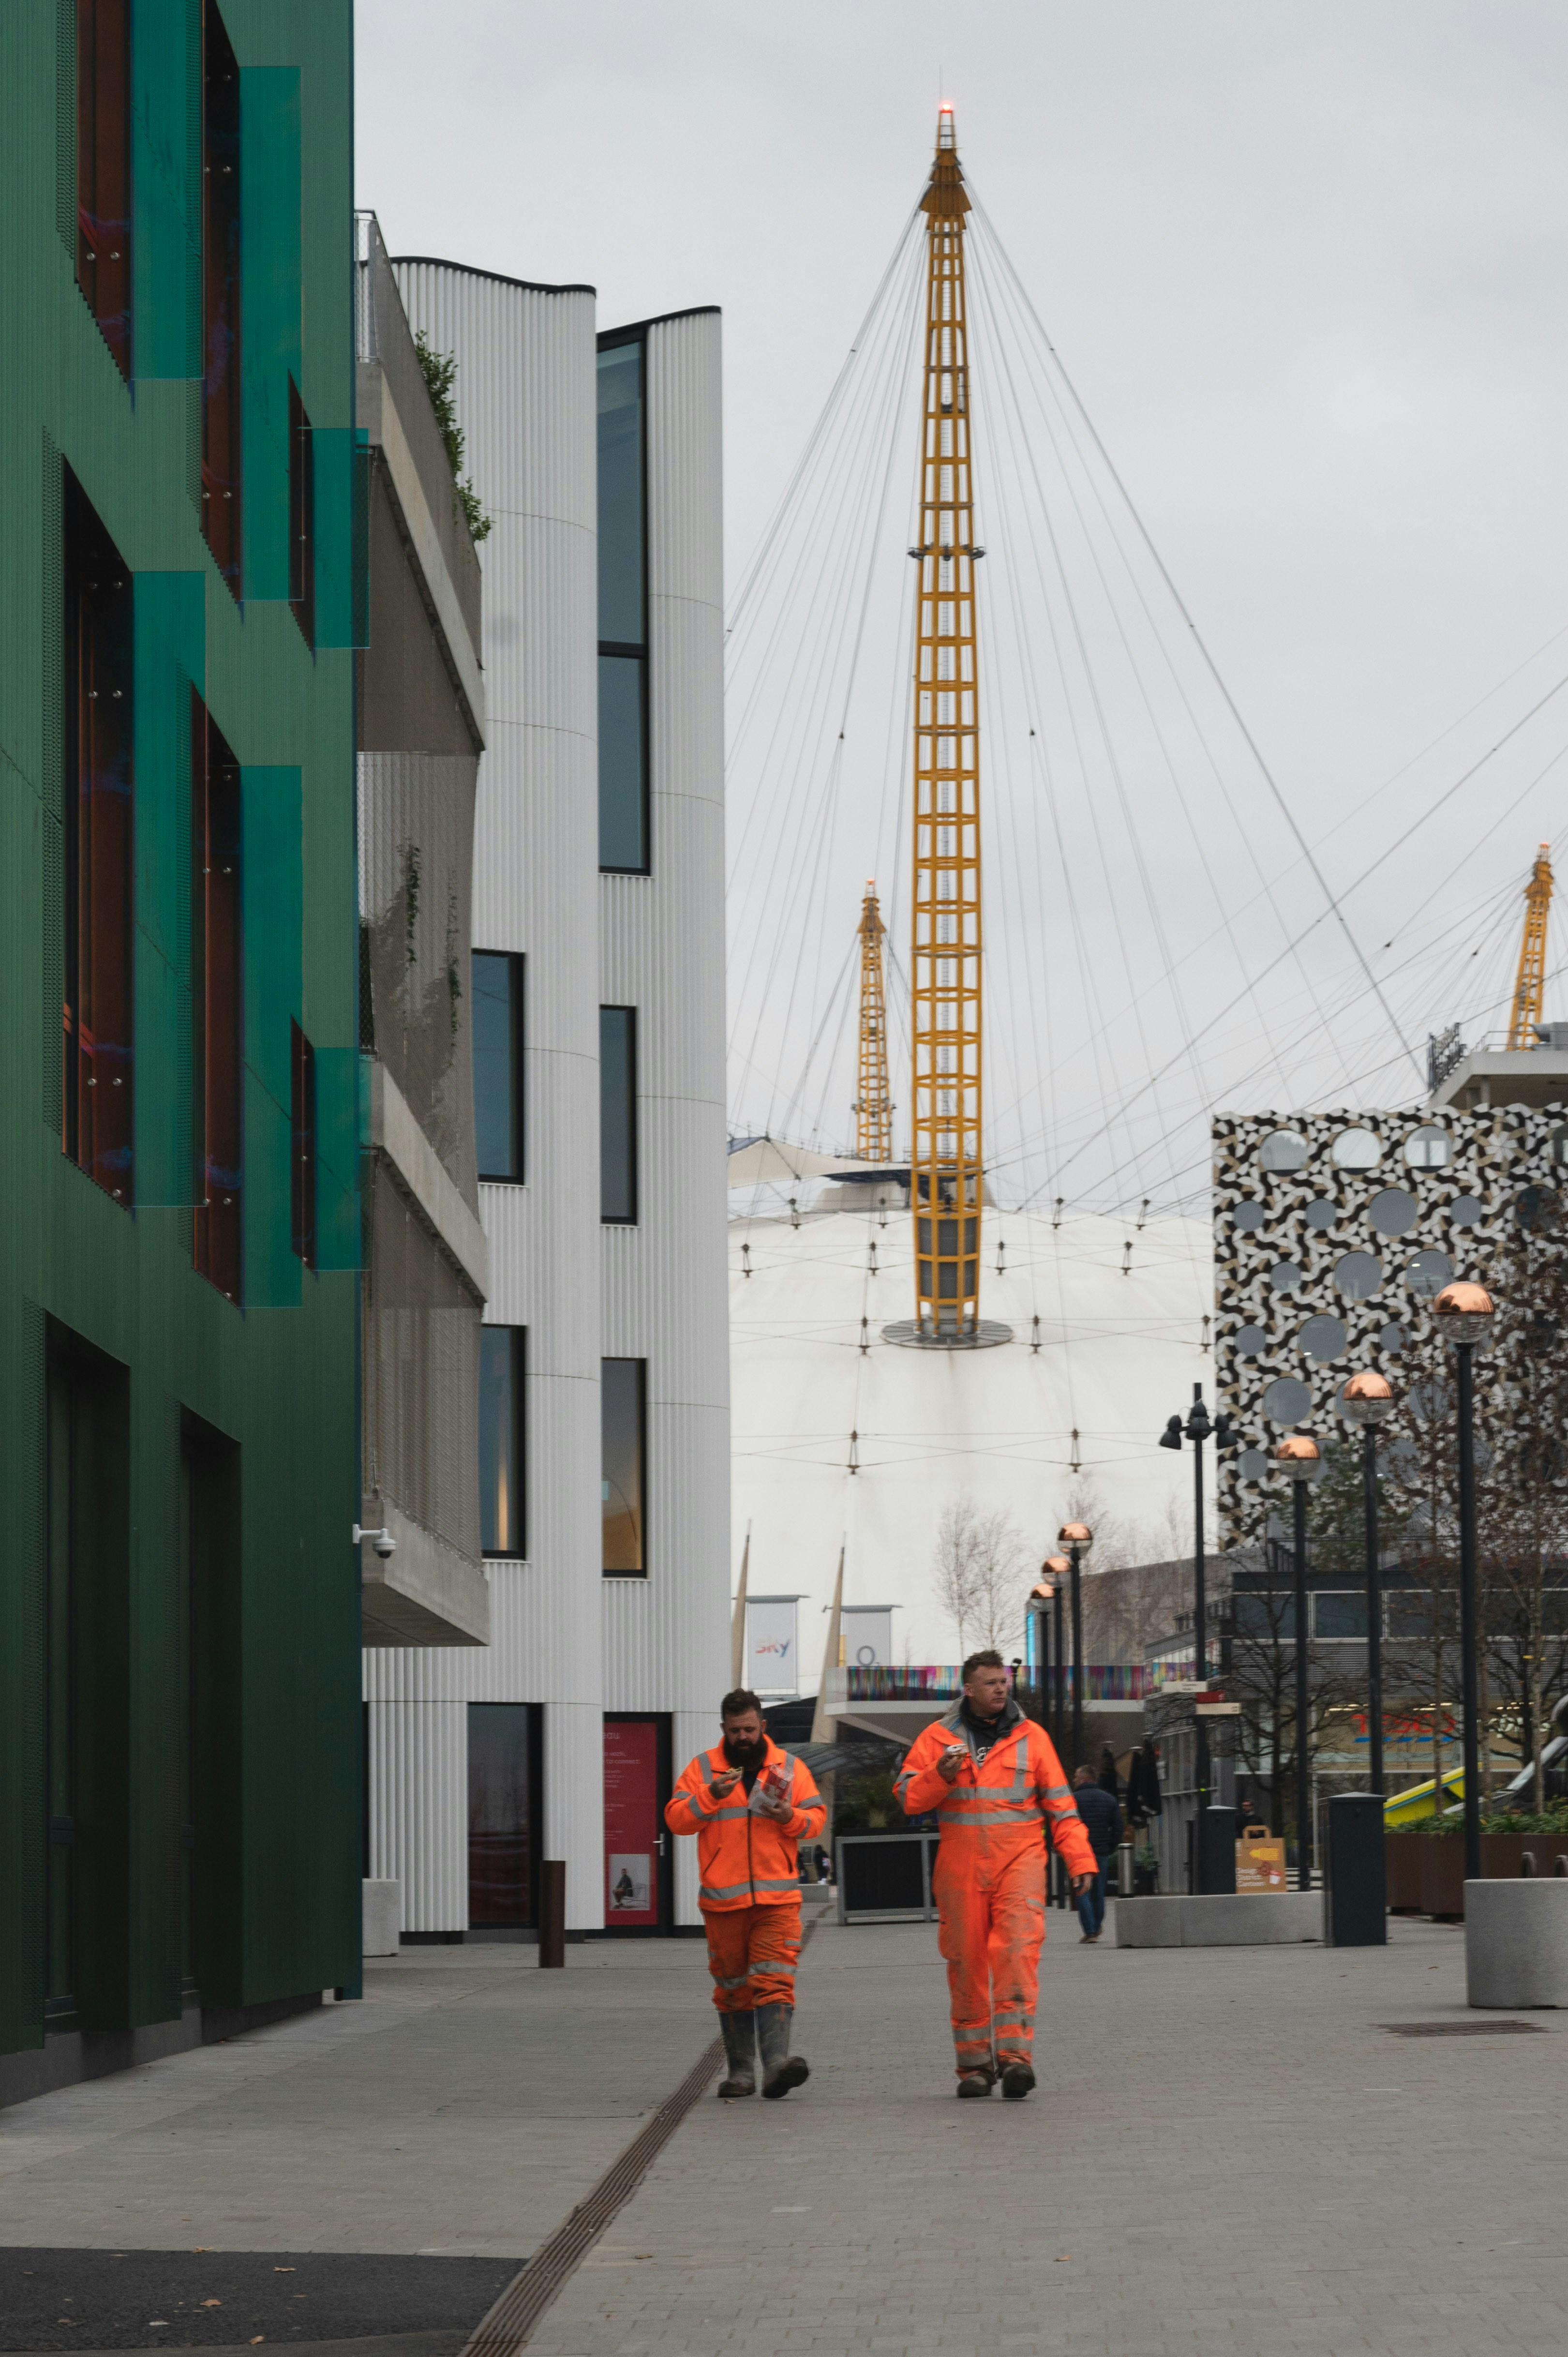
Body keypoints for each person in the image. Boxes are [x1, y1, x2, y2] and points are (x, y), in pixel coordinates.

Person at [894, 1651, 1097, 2099]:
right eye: (989, 1683)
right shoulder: (937, 1737)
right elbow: (909, 1797)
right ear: (968, 1689)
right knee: (966, 1963)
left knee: (1017, 1953)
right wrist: (939, 1774)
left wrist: (1079, 1859)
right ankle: (974, 2067)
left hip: (1019, 1864)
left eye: (1003, 1681)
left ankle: (1015, 2060)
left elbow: (1062, 1807)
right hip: (961, 1870)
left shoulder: (1033, 1738)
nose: (1000, 1689)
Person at [666, 1688, 825, 2100]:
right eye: (735, 1730)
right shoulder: (703, 1769)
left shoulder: (790, 1768)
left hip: (777, 1900)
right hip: (723, 1903)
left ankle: (776, 2066)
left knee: (774, 1981)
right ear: (723, 1728)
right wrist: (710, 1797)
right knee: (733, 1987)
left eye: (749, 1729)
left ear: (763, 1727)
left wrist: (789, 1815)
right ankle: (741, 2073)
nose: (743, 1737)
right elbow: (676, 1820)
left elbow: (815, 1821)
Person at [1071, 1763, 1122, 1942]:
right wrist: (1110, 1847)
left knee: (1081, 1890)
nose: (1074, 1779)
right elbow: (1118, 1827)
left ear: (1085, 1778)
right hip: (1101, 1851)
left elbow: (1066, 1825)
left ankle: (1090, 1930)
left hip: (1078, 1851)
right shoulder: (1109, 1799)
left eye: (1077, 1776)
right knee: (1098, 1890)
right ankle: (1097, 1925)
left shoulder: (1072, 1800)